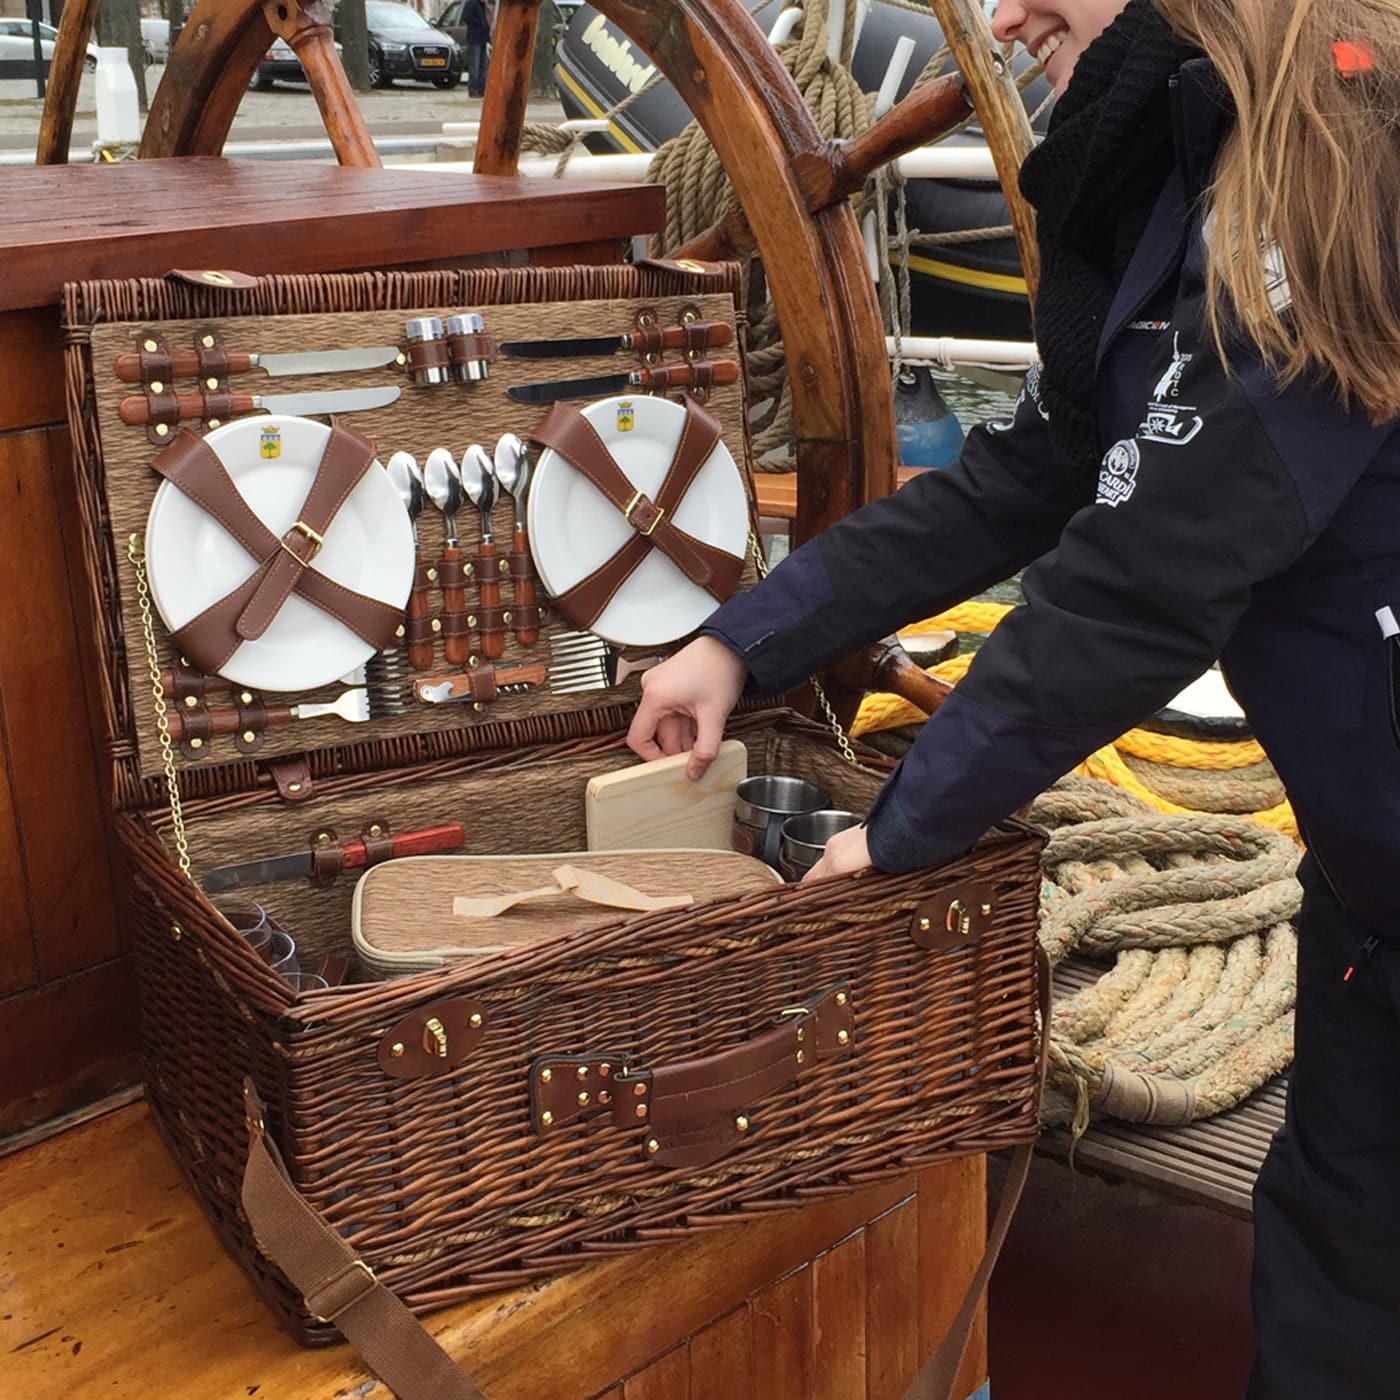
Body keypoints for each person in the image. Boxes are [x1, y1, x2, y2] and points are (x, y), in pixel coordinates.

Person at [627, 1, 1400, 1395]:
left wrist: (913, 821)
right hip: (1370, 901)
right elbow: (1036, 470)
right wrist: (744, 644)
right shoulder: (1186, 173)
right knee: (1339, 1275)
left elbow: (1151, 578)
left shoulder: (1343, 163)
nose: (1002, 13)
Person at [462, 0, 490, 97]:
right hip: (474, 39)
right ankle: (473, 90)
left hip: (483, 39)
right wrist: (479, 25)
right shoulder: (471, 3)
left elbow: (487, 21)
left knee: (483, 67)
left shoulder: (482, 5)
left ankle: (482, 90)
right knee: (474, 66)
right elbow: (466, 18)